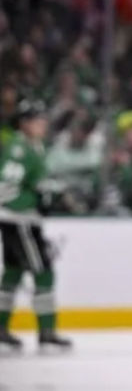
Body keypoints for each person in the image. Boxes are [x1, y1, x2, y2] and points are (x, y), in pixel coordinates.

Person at [0, 102, 72, 353]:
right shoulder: (20, 149)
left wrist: (49, 192)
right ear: (24, 123)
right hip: (20, 220)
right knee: (43, 271)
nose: (43, 124)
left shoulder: (32, 146)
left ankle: (0, 331)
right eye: (38, 120)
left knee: (13, 273)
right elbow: (5, 187)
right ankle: (47, 333)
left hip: (16, 220)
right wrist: (35, 201)